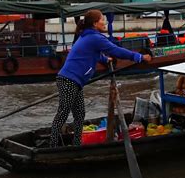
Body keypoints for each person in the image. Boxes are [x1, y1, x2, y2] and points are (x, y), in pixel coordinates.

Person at [50, 9, 152, 147]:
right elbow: (116, 50)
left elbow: (93, 54)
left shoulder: (87, 36)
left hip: (75, 81)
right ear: (95, 23)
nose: (104, 22)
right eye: (102, 19)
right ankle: (53, 145)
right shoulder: (94, 37)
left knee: (80, 114)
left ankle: (76, 145)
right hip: (68, 80)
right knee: (62, 113)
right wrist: (139, 57)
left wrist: (105, 59)